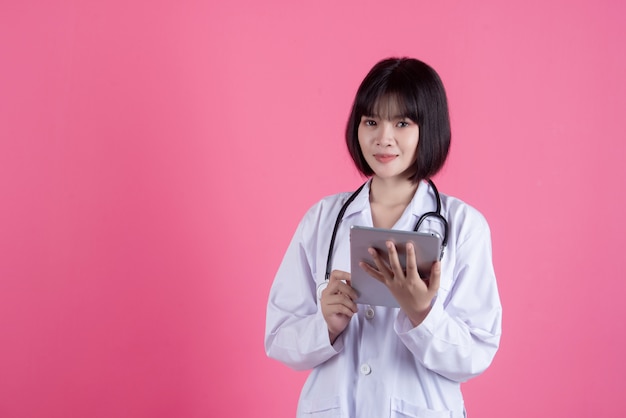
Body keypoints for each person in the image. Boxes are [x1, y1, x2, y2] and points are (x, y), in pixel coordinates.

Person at [265, 57, 502, 418]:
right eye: (371, 121)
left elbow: (476, 353)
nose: (383, 138)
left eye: (402, 123)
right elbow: (279, 337)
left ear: (429, 127)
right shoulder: (322, 220)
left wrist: (423, 314)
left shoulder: (463, 226)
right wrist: (324, 325)